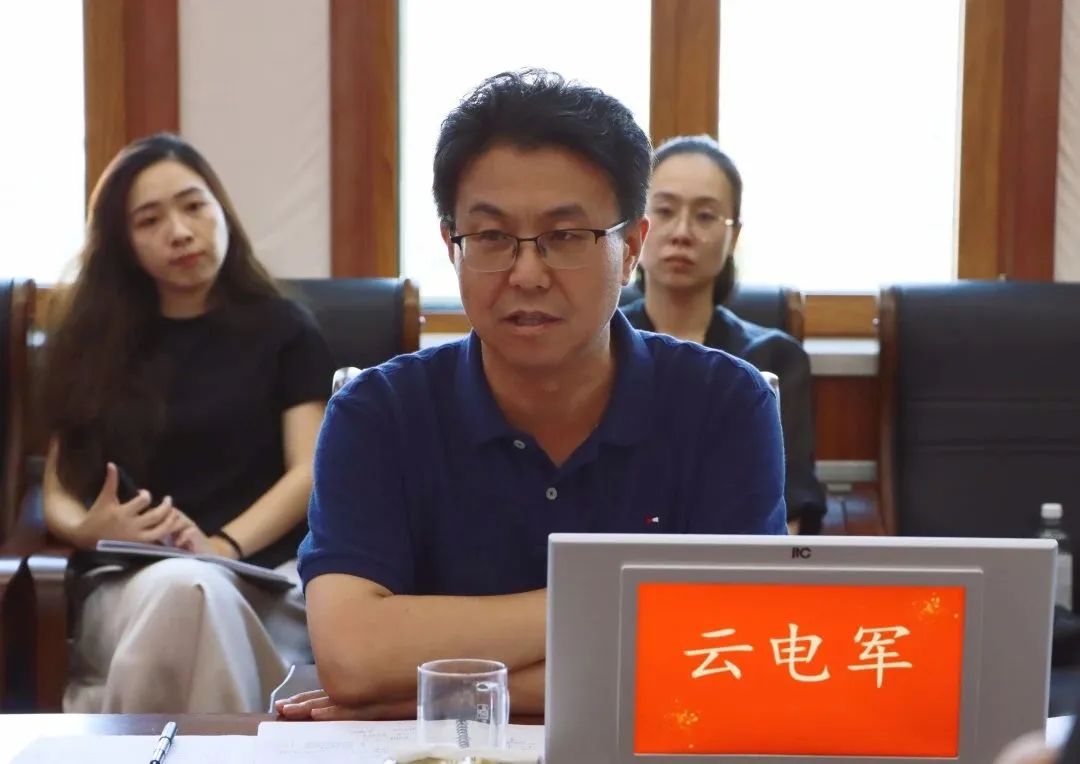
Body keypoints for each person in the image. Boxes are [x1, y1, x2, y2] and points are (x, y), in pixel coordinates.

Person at [278, 69, 785, 722]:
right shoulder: (376, 414)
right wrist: (632, 600)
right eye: (491, 237)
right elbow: (354, 656)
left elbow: (735, 655)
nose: (526, 273)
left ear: (631, 248)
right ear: (452, 246)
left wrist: (436, 692)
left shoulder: (726, 404)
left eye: (565, 237)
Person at [41, 133, 334, 713]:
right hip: (129, 581)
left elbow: (308, 471)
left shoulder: (285, 329)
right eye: (149, 220)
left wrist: (221, 547)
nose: (179, 231)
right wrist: (90, 529)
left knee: (198, 587)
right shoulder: (94, 344)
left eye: (194, 205)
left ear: (221, 210)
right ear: (124, 243)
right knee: (185, 591)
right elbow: (56, 486)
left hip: (263, 576)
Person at [621, 135, 826, 534]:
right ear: (636, 227)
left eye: (705, 216)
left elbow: (791, 511)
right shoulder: (601, 345)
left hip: (736, 562)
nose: (682, 232)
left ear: (733, 236)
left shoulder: (774, 357)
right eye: (664, 210)